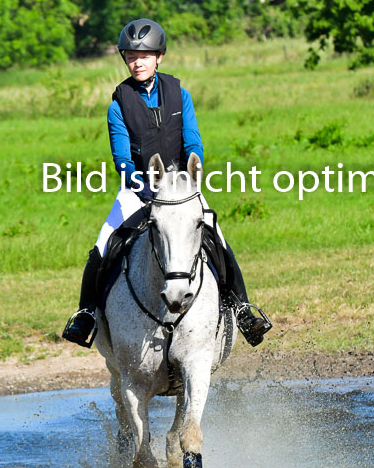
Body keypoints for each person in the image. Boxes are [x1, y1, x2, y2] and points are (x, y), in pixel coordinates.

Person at [61, 18, 271, 348]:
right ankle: (86, 314)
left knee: (217, 238)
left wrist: (190, 173)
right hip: (138, 190)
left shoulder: (180, 95)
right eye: (131, 56)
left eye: (144, 56)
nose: (137, 62)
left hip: (181, 190)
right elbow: (122, 161)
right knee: (102, 249)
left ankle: (243, 310)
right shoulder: (118, 106)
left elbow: (193, 142)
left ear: (159, 57)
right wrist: (144, 186)